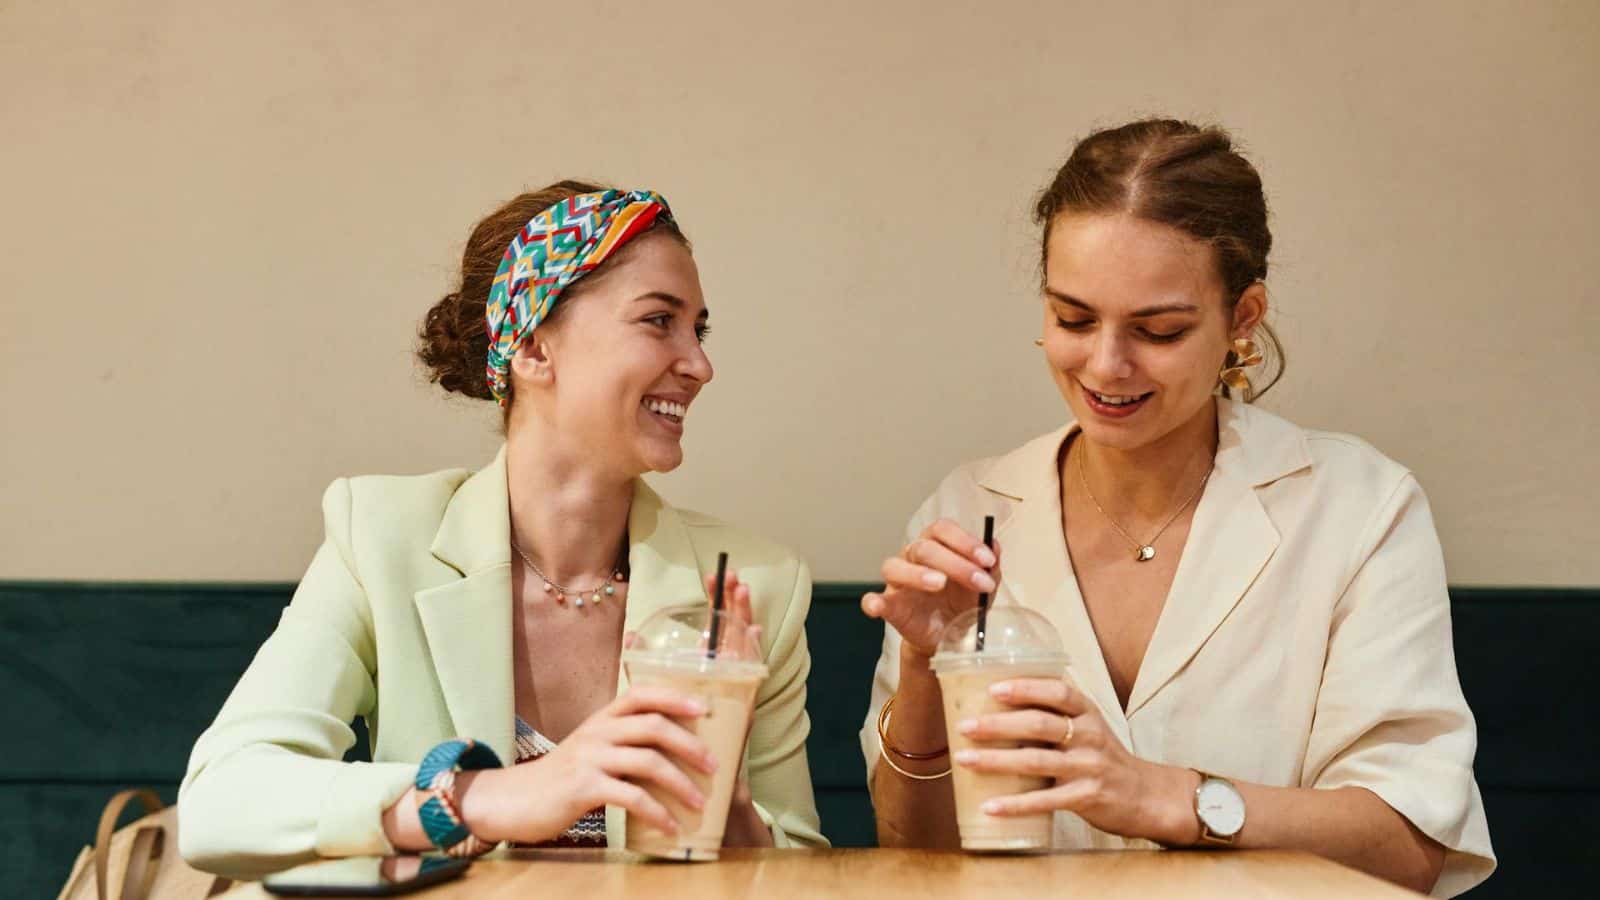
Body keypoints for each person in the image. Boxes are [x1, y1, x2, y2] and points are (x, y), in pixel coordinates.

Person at [859, 119, 1494, 896]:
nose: (1106, 364)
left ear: (1243, 320)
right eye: (1073, 318)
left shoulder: (1359, 507)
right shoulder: (968, 510)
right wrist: (928, 670)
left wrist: (1169, 798)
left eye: (1158, 330)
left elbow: (1407, 842)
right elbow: (912, 853)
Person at [180, 182, 826, 878]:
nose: (699, 365)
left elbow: (801, 866)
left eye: (696, 329)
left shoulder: (756, 585)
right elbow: (223, 798)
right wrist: (490, 797)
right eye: (657, 321)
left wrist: (728, 816)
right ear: (534, 349)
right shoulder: (380, 536)